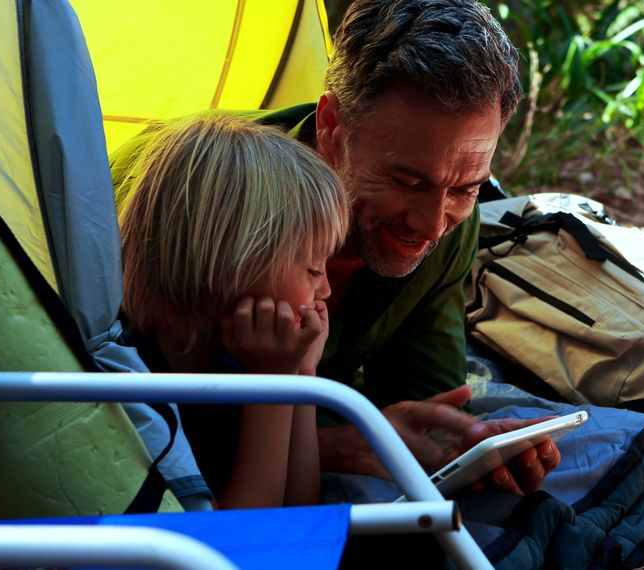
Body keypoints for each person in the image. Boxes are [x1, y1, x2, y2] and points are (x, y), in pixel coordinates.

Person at [111, 0, 559, 495]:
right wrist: (343, 441)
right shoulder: (192, 196)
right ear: (331, 126)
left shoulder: (449, 226)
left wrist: (464, 447)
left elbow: (424, 407)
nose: (431, 225)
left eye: (465, 189)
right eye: (406, 180)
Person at [114, 113, 351, 508]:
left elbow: (300, 513)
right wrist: (272, 384)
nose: (325, 288)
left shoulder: (228, 360)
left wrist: (301, 374)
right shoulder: (137, 380)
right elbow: (247, 540)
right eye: (312, 268)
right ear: (234, 263)